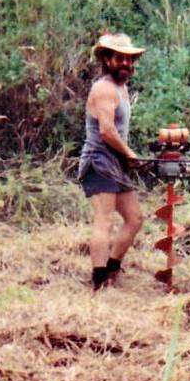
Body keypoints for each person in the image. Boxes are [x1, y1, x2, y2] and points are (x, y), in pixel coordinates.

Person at [78, 33, 145, 290]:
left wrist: (127, 157)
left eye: (129, 59)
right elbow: (106, 131)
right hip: (98, 160)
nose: (126, 64)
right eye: (120, 58)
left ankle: (112, 269)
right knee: (104, 219)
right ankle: (98, 282)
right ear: (107, 59)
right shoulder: (103, 88)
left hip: (116, 164)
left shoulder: (122, 88)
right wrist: (129, 152)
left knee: (135, 218)